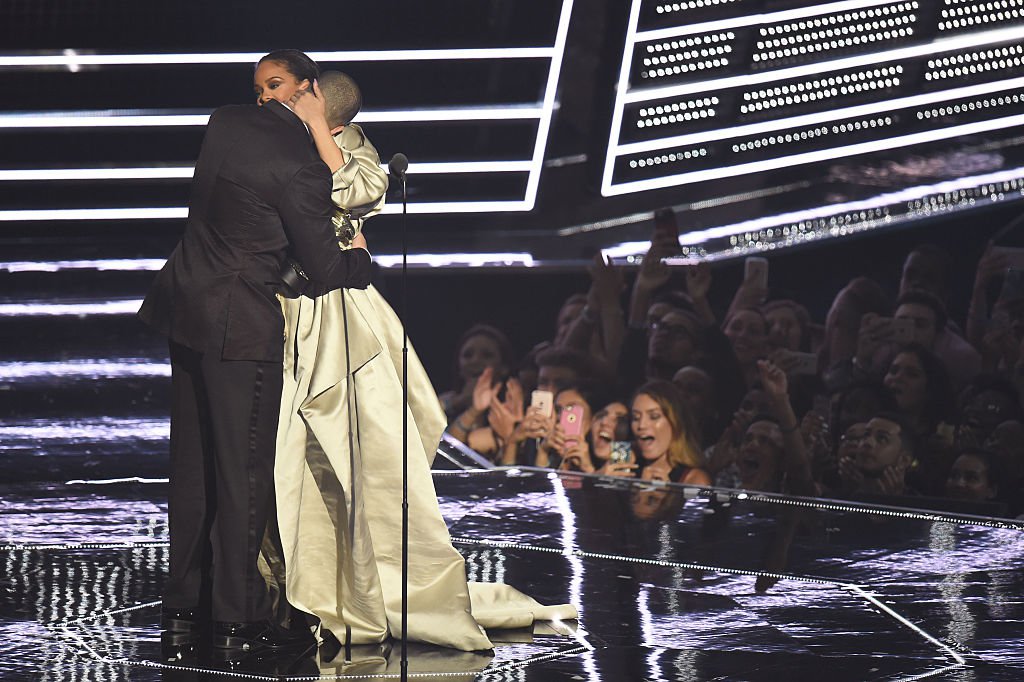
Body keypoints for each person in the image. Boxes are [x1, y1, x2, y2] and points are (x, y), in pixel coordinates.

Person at [260, 51, 576, 652]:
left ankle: (367, 589)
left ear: (317, 101)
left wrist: (321, 134)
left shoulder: (354, 150)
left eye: (280, 89)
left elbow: (358, 191)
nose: (266, 100)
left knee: (364, 457)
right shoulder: (276, 146)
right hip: (287, 313)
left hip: (342, 316)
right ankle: (300, 588)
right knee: (294, 460)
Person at [138, 53, 374, 653]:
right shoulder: (301, 167)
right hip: (239, 328)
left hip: (185, 306)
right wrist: (361, 256)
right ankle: (239, 614)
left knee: (192, 469)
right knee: (243, 472)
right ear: (315, 96)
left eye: (274, 86)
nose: (267, 95)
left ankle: (184, 606)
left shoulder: (224, 122)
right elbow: (324, 270)